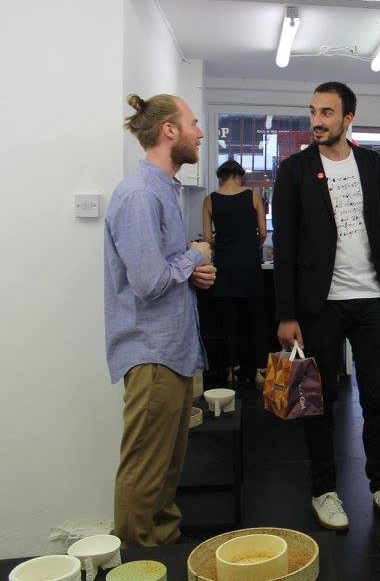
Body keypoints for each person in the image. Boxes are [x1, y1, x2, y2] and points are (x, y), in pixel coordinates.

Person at [272, 81, 380, 531]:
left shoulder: (372, 164)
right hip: (320, 305)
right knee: (320, 401)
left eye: (327, 112)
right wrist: (287, 313)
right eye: (313, 111)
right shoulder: (294, 171)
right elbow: (285, 246)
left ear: (348, 118)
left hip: (371, 300)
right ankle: (324, 491)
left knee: (377, 399)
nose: (317, 120)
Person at [106, 93, 215, 547]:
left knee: (166, 467)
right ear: (169, 130)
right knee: (145, 469)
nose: (200, 132)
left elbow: (161, 269)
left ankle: (164, 544)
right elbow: (149, 281)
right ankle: (136, 561)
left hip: (172, 351)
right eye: (193, 123)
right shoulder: (139, 195)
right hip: (152, 355)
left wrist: (193, 269)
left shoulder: (165, 190)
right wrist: (195, 256)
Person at [202, 160, 268, 386]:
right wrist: (250, 247)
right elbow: (263, 233)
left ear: (221, 177)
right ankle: (260, 371)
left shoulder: (210, 200)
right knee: (257, 321)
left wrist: (224, 245)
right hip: (249, 266)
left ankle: (233, 371)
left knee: (229, 324)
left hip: (225, 268)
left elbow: (207, 240)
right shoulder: (253, 196)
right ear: (240, 176)